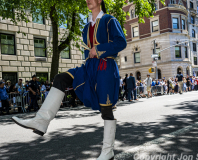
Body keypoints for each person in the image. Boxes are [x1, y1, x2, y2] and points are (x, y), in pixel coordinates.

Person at [12, 1, 126, 159]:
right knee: (60, 78)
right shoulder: (86, 28)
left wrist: (98, 49)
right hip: (89, 68)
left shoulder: (110, 20)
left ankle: (108, 152)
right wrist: (91, 53)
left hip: (105, 68)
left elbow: (121, 42)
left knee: (106, 109)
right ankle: (41, 121)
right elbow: (87, 53)